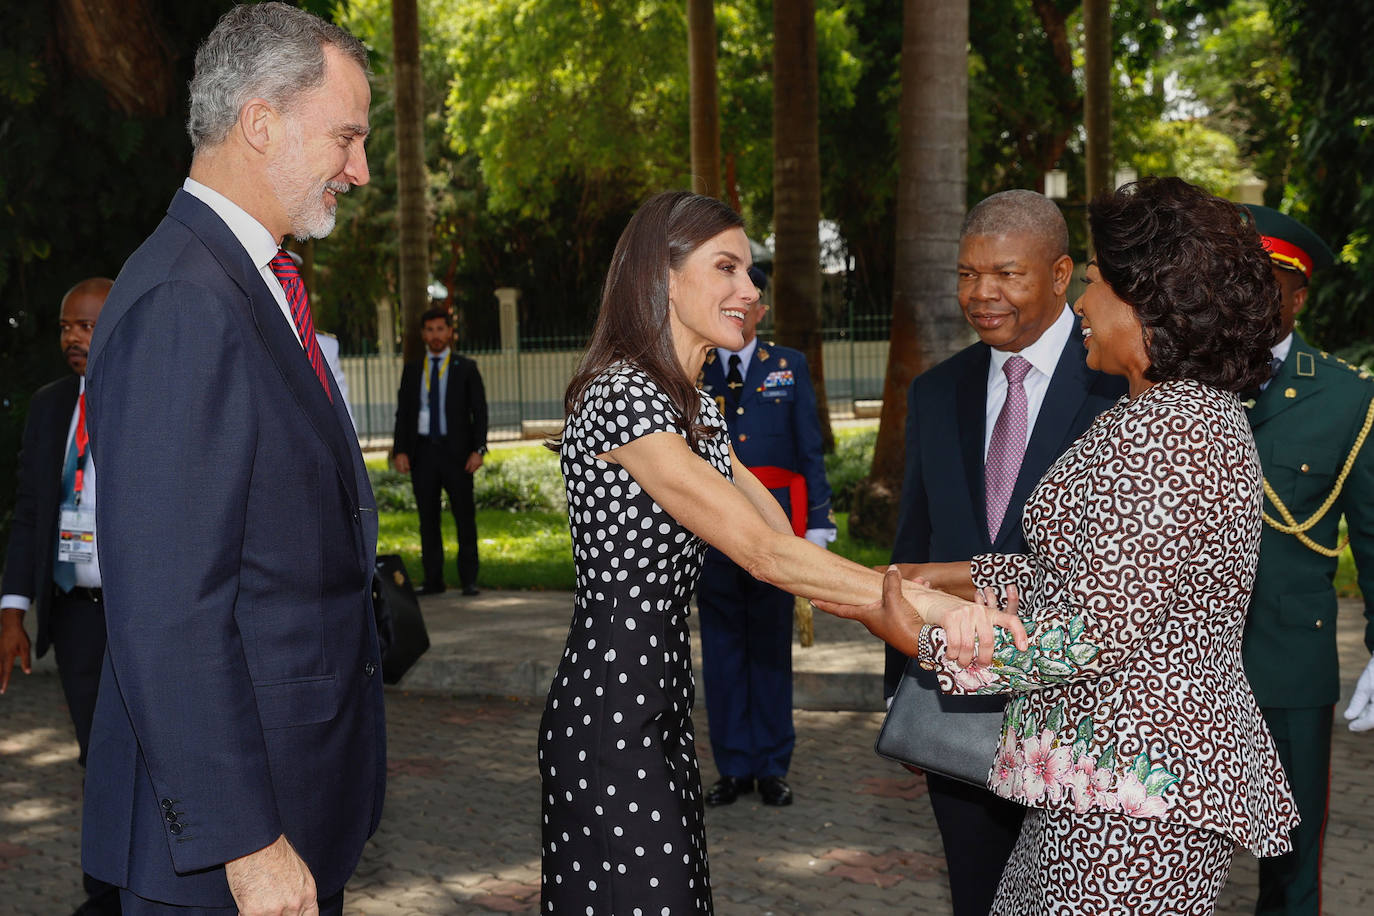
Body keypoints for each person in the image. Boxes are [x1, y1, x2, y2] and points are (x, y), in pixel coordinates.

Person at [538, 190, 1025, 915]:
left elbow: (784, 542)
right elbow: (763, 555)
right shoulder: (624, 398)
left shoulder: (694, 405)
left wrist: (919, 603)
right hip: (611, 708)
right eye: (726, 268)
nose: (749, 290)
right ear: (661, 278)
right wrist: (928, 611)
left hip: (661, 700)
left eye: (751, 271)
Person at [857, 177, 1301, 913]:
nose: (1084, 305)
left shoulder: (1173, 431)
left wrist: (925, 640)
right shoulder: (1165, 414)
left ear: (1153, 304)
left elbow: (1091, 634)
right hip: (1093, 779)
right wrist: (950, 577)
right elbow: (1088, 579)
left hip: (1136, 797)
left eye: (1096, 285)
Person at [80, 4, 384, 913]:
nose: (359, 171)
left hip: (286, 805)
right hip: (227, 847)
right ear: (261, 123)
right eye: (347, 137)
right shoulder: (186, 300)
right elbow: (169, 609)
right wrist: (245, 842)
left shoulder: (238, 281)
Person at [882, 189, 1125, 916]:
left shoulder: (1120, 387)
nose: (981, 294)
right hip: (955, 708)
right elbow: (915, 543)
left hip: (1078, 709)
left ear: (1061, 276)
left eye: (1006, 275)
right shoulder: (935, 392)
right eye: (966, 274)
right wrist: (902, 683)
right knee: (976, 896)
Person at [1239, 204, 1374, 916]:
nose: (1255, 299)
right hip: (1182, 661)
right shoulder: (1181, 373)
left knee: (1290, 869)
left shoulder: (1347, 395)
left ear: (1300, 293)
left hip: (1290, 663)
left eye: (1273, 283)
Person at [1, 277, 121, 916]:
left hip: (137, 618)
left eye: (87, 326)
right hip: (75, 616)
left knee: (142, 756)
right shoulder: (50, 407)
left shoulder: (145, 400)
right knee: (94, 758)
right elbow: (29, 514)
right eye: (66, 327)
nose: (72, 338)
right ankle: (105, 892)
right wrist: (12, 610)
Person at [695, 264, 835, 808]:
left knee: (772, 650)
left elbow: (809, 447)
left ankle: (773, 764)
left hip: (779, 526)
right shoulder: (697, 368)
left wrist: (819, 524)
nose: (740, 309)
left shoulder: (788, 366)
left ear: (761, 308)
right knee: (724, 650)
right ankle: (732, 766)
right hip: (713, 530)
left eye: (748, 301)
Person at [392, 307, 489, 596]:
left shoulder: (466, 367)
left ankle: (469, 578)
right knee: (427, 518)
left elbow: (479, 412)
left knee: (464, 516)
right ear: (423, 334)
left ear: (450, 332)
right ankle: (433, 580)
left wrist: (478, 449)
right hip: (423, 453)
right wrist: (400, 450)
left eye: (440, 329)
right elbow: (403, 413)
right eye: (430, 330)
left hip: (457, 454)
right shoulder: (413, 368)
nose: (435, 335)